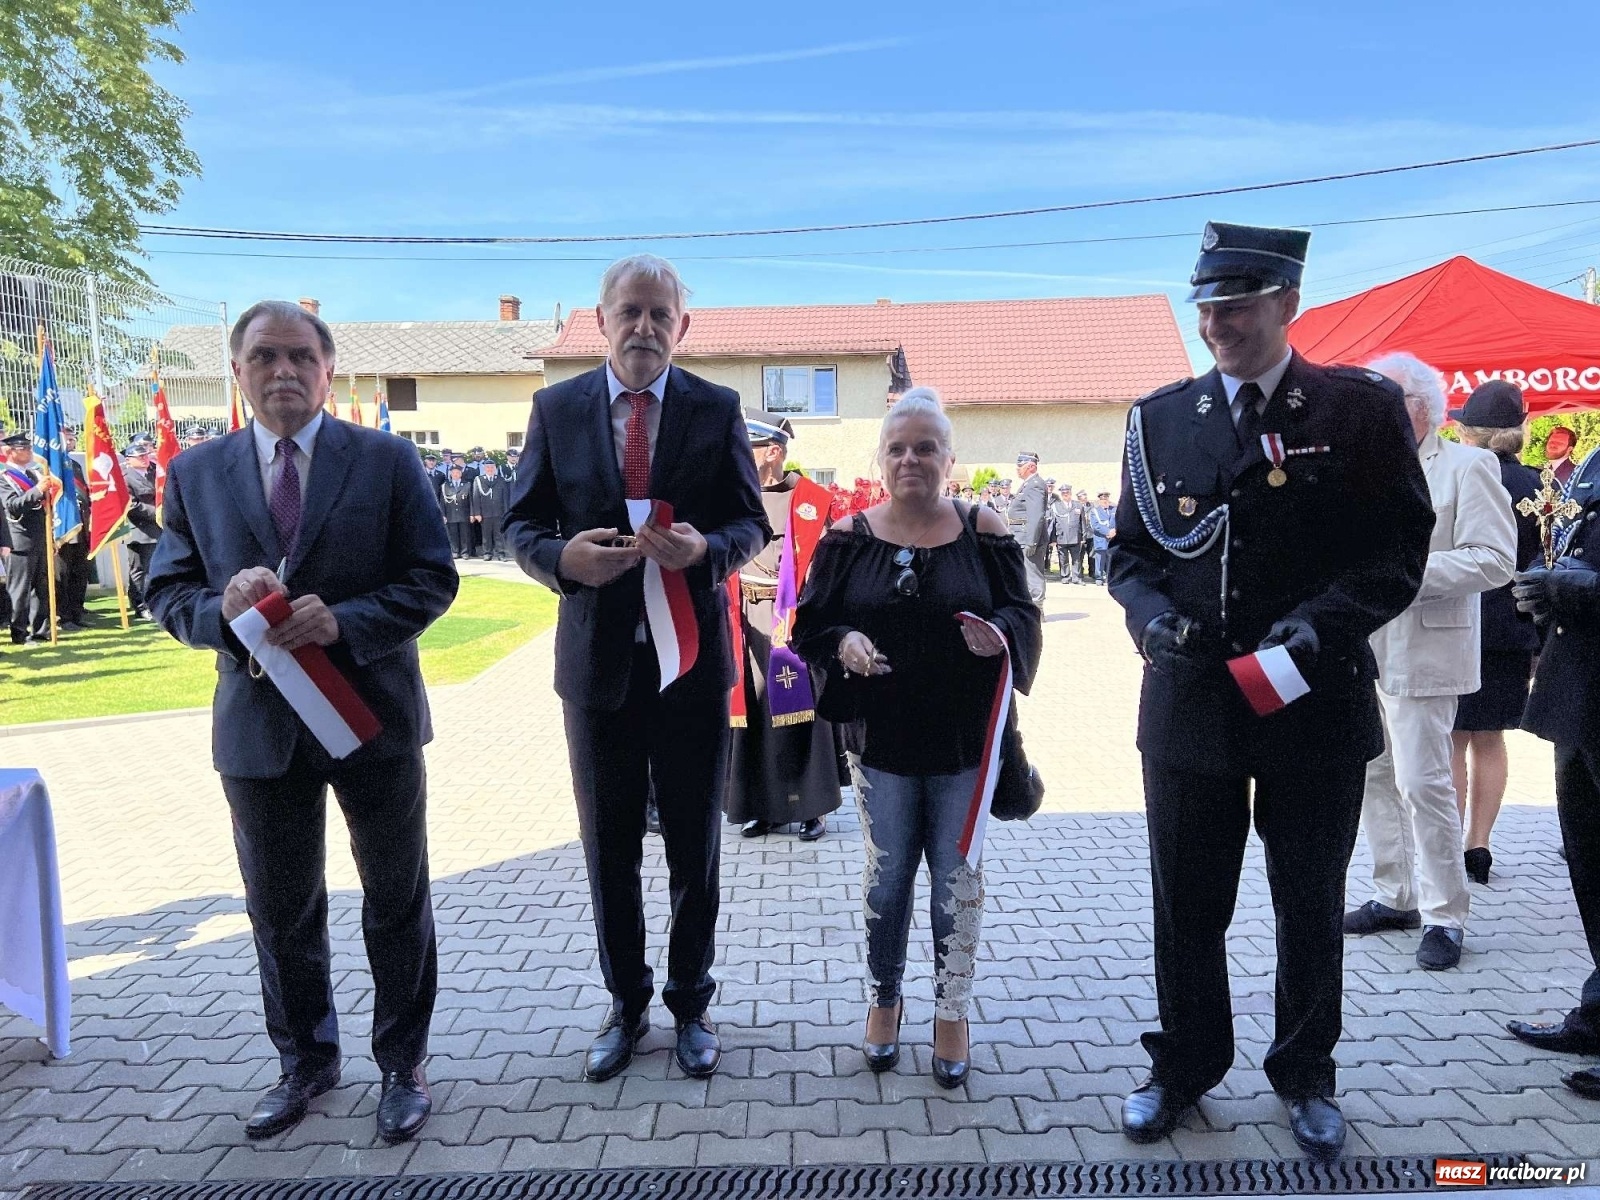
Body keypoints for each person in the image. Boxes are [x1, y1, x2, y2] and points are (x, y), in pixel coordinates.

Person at [1107, 221, 1434, 1159]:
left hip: (1313, 698)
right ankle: (1184, 1064)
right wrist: (1145, 620)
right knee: (1187, 899)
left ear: (1289, 302)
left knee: (1306, 899)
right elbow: (1128, 554)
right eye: (1206, 306)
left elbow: (1398, 550)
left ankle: (1306, 1072)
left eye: (1237, 304)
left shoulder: (1358, 411)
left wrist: (1322, 622)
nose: (1217, 324)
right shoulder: (1160, 419)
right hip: (1191, 703)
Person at [146, 300, 457, 1144]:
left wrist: (345, 621)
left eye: (299, 357)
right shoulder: (196, 473)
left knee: (395, 897)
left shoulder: (389, 461)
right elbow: (166, 592)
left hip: (372, 718)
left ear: (327, 369)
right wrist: (222, 610)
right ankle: (306, 1062)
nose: (282, 371)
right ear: (239, 372)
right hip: (258, 726)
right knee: (281, 908)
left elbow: (434, 579)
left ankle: (403, 1063)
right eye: (264, 358)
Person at [503, 254, 768, 1084]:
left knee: (695, 847)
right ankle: (626, 1005)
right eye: (630, 312)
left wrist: (709, 550)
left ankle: (691, 1003)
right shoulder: (555, 408)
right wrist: (560, 560)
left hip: (691, 667)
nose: (645, 327)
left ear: (682, 326)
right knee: (609, 849)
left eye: (661, 314)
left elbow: (749, 523)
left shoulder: (716, 407)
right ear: (602, 319)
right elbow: (519, 525)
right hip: (598, 671)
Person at [795, 387, 1041, 1090]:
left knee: (956, 880)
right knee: (889, 873)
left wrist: (1000, 637)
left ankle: (952, 1011)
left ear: (949, 459)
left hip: (964, 740)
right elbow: (809, 626)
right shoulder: (846, 538)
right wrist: (842, 642)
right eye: (898, 448)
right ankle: (884, 1000)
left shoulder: (984, 527)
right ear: (881, 459)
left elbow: (1025, 613)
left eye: (925, 447)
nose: (911, 459)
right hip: (882, 742)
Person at [1342, 355, 1514, 971]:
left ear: (1420, 405)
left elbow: (1494, 559)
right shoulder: (1364, 468)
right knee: (1373, 773)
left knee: (1424, 782)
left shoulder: (1470, 465)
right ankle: (1395, 895)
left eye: (1384, 399)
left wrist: (1406, 575)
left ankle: (1446, 913)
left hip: (1427, 645)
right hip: (1363, 647)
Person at [1506, 443, 1600, 1099]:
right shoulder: (1594, 460)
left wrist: (1572, 586)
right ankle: (1598, 1015)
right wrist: (1548, 588)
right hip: (1582, 693)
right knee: (1591, 867)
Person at [726, 417, 840, 841]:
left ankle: (812, 808)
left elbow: (830, 567)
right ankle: (765, 807)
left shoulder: (812, 501)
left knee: (802, 712)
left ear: (773, 451)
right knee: (755, 715)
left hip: (796, 620)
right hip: (746, 618)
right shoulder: (733, 497)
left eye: (747, 447)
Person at [1450, 382, 1542, 885]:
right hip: (1513, 627)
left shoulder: (1460, 476)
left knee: (1452, 739)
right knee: (1491, 739)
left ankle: (1448, 842)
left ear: (1468, 431)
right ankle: (1479, 846)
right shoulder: (1537, 483)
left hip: (1459, 621)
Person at [2, 432, 54, 644]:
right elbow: (12, 505)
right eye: (23, 448)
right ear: (10, 452)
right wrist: (37, 490)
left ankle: (41, 630)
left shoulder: (33, 474)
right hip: (19, 539)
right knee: (20, 589)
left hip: (40, 536)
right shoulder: (4, 477)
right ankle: (19, 633)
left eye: (29, 447)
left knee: (41, 589)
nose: (29, 451)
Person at [55, 426, 92, 630]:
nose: (71, 442)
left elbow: (83, 493)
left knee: (80, 572)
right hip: (62, 528)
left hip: (81, 525)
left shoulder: (75, 465)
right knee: (63, 574)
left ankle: (77, 614)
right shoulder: (49, 466)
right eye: (67, 439)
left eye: (73, 439)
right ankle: (64, 617)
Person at [123, 441, 161, 618]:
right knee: (139, 570)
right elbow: (131, 505)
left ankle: (154, 602)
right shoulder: (126, 477)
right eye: (140, 457)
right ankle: (140, 605)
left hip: (159, 528)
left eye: (146, 455)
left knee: (155, 568)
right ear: (129, 460)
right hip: (139, 530)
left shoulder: (154, 472)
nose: (145, 459)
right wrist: (158, 512)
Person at [1008, 452, 1049, 605]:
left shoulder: (1035, 485)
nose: (1017, 469)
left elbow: (1036, 515)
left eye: (1020, 466)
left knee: (1033, 575)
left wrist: (1031, 542)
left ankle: (1037, 610)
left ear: (1031, 466)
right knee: (1025, 574)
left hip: (1028, 538)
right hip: (1022, 537)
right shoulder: (1028, 484)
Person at [470, 459, 509, 561]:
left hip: (499, 512)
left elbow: (505, 497)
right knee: (486, 534)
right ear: (484, 469)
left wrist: (506, 512)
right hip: (484, 513)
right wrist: (477, 513)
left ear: (495, 468)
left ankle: (500, 553)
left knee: (499, 534)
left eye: (492, 467)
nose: (490, 469)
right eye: (487, 467)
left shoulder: (500, 479)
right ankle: (487, 553)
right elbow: (476, 497)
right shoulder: (478, 480)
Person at [1049, 485, 1083, 584]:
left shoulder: (1078, 505)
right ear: (1061, 494)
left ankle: (1076, 578)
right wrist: (1053, 539)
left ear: (1070, 493)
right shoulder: (1056, 506)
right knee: (1063, 559)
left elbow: (1082, 522)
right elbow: (1053, 524)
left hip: (1075, 536)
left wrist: (1083, 537)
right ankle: (1065, 577)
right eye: (1063, 493)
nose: (1065, 495)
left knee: (1076, 559)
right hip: (1061, 536)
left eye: (1067, 493)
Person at [440, 465, 472, 559]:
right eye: (453, 472)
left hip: (464, 513)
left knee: (465, 534)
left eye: (458, 472)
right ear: (450, 474)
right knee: (453, 534)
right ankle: (455, 551)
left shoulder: (467, 484)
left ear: (461, 474)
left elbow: (471, 501)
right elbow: (442, 501)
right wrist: (443, 514)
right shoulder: (445, 485)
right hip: (451, 513)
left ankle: (465, 552)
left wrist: (472, 513)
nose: (455, 474)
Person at [1088, 492, 1115, 583]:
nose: (1105, 501)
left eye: (1106, 499)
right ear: (1100, 500)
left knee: (1111, 560)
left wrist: (1114, 531)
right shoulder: (1094, 511)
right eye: (1103, 500)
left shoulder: (1114, 509)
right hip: (1101, 539)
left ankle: (1110, 577)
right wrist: (1107, 532)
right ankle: (1099, 578)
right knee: (1100, 560)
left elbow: (1119, 521)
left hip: (1113, 539)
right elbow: (1095, 525)